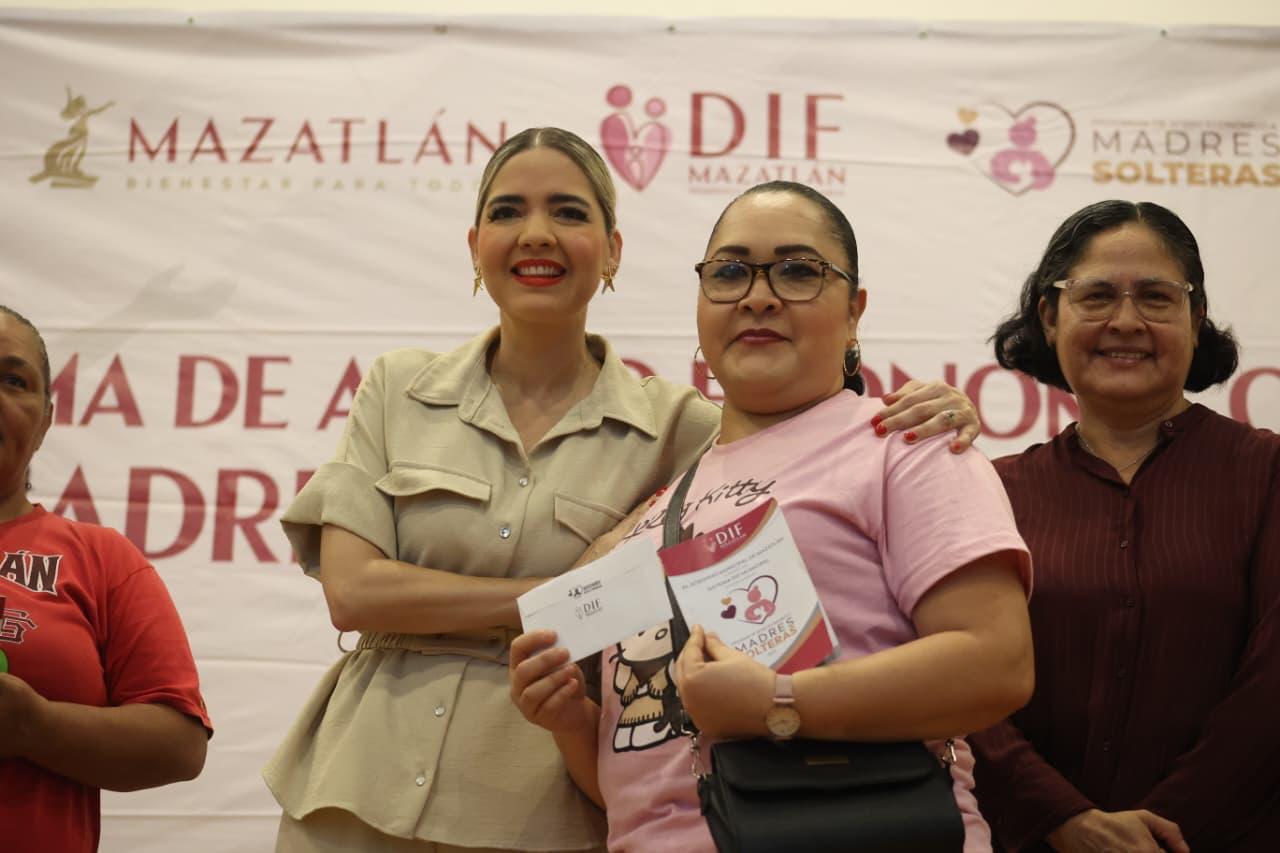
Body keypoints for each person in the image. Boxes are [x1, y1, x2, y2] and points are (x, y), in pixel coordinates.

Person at [264, 129, 982, 853]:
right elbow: (353, 592)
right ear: (475, 244)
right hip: (360, 780)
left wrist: (937, 410)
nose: (536, 233)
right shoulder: (398, 388)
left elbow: (805, 431)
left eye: (569, 212)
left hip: (541, 804)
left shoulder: (685, 427)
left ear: (612, 251)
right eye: (508, 211)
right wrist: (567, 602)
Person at [509, 181, 1035, 852]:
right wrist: (571, 721)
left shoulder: (906, 444)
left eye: (798, 271)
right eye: (730, 273)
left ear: (854, 312)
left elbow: (998, 663)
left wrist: (777, 702)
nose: (758, 295)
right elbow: (643, 789)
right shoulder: (659, 509)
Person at [971, 200, 1280, 853]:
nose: (1126, 321)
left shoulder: (1268, 473)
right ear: (1049, 316)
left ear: (1196, 317)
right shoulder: (990, 490)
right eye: (1097, 296)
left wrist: (1159, 831)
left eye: (1157, 297)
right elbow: (961, 680)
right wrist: (1063, 819)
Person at [0, 305, 212, 853]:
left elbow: (180, 744)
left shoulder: (101, 558)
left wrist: (32, 726)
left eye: (13, 380)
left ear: (45, 421)